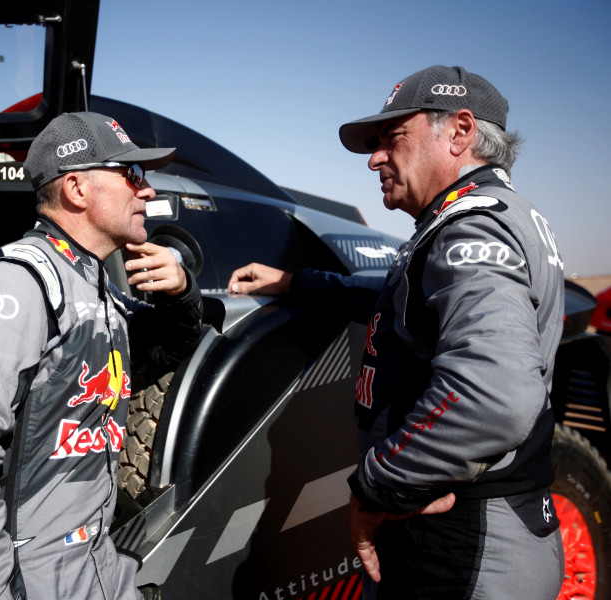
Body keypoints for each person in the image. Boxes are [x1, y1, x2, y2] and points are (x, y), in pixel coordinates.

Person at [229, 65, 565, 598]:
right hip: (480, 529)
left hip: (463, 543)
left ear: (460, 131)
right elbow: (404, 299)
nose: (374, 158)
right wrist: (295, 282)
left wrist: (376, 488)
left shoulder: (470, 229)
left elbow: (494, 396)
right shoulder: (492, 215)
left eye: (393, 138)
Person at [0, 111, 203, 600]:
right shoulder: (14, 284)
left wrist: (181, 292)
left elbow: (171, 350)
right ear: (77, 189)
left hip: (93, 567)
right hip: (27, 580)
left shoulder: (93, 288)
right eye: (130, 174)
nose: (146, 190)